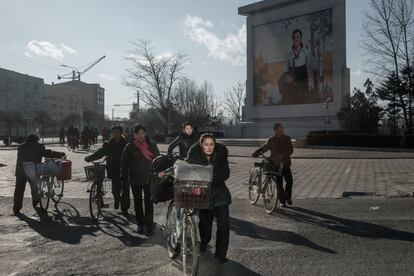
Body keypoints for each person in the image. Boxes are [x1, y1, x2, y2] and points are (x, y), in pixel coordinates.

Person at [186, 133, 231, 264]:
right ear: (201, 145)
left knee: (224, 225)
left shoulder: (221, 155)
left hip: (220, 194)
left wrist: (210, 177)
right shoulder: (194, 155)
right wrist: (166, 172)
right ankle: (204, 242)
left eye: (212, 144)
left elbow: (226, 172)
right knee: (205, 224)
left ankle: (221, 254)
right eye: (206, 144)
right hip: (203, 195)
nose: (209, 147)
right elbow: (184, 168)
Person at [121, 124, 160, 236]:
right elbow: (124, 163)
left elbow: (158, 160)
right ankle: (140, 224)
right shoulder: (130, 147)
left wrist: (157, 175)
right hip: (135, 179)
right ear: (134, 135)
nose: (141, 135)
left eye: (143, 133)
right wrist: (124, 176)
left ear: (145, 133)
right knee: (138, 203)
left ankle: (149, 224)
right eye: (138, 133)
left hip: (149, 178)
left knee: (149, 202)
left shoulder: (152, 145)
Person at [13, 134, 65, 215]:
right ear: (36, 140)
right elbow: (47, 153)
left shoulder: (21, 146)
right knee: (34, 187)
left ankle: (16, 208)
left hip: (20, 171)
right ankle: (35, 202)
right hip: (32, 170)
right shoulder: (39, 146)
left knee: (19, 190)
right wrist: (60, 154)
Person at [85, 126, 128, 210]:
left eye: (117, 132)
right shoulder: (108, 144)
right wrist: (90, 158)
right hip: (114, 169)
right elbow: (99, 153)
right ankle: (117, 198)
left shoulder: (126, 144)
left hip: (125, 169)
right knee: (115, 190)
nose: (115, 134)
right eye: (113, 132)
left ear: (121, 133)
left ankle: (124, 207)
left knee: (125, 189)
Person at [252, 123, 294, 206]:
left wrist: (282, 155)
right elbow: (265, 147)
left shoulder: (287, 138)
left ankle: (287, 196)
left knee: (290, 181)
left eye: (282, 128)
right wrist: (257, 152)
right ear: (275, 130)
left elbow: (290, 150)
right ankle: (282, 201)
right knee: (279, 183)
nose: (281, 130)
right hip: (275, 164)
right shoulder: (271, 140)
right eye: (279, 129)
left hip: (285, 163)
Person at [282, 29, 313, 104]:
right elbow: (285, 70)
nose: (296, 39)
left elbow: (309, 67)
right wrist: (287, 77)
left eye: (298, 37)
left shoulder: (305, 52)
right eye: (294, 37)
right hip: (292, 80)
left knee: (303, 100)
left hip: (303, 79)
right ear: (292, 39)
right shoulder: (289, 55)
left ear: (301, 38)